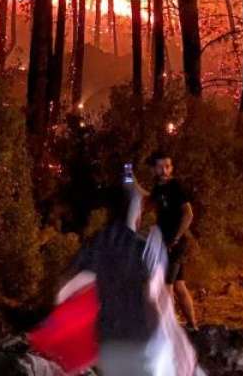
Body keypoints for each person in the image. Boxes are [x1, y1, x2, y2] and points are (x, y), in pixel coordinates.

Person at [55, 179, 201, 376]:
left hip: (169, 246)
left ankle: (178, 329)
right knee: (175, 287)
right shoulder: (154, 196)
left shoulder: (170, 194)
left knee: (166, 288)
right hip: (166, 246)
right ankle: (191, 326)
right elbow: (144, 198)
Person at [148, 150, 198, 330]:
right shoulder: (158, 188)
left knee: (166, 286)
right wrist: (129, 178)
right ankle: (193, 325)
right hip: (168, 242)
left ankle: (170, 329)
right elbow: (148, 201)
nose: (164, 170)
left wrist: (175, 238)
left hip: (176, 243)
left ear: (171, 168)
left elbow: (188, 214)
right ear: (153, 169)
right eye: (160, 166)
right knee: (179, 285)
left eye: (167, 166)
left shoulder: (175, 186)